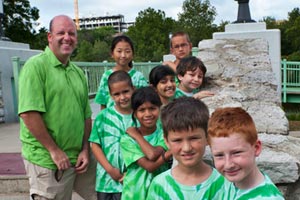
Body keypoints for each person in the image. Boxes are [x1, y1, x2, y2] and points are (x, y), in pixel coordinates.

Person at [18, 15, 95, 200]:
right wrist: (54, 150)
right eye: (61, 32)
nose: (67, 37)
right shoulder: (35, 67)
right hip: (48, 160)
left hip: (79, 158)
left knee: (102, 194)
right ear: (49, 37)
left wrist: (85, 148)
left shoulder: (77, 72)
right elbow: (29, 113)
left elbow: (85, 115)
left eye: (72, 33)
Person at [146, 97, 227, 200]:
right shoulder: (159, 186)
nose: (187, 148)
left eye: (194, 138)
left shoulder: (224, 183)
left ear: (207, 137)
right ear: (166, 141)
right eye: (177, 140)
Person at [207, 107, 284, 200]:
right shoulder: (229, 181)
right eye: (219, 155)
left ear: (256, 148)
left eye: (236, 153)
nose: (228, 165)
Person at [89, 71, 135, 200]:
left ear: (133, 89)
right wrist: (110, 170)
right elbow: (95, 145)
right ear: (110, 95)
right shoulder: (102, 117)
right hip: (106, 182)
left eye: (126, 91)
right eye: (117, 94)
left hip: (132, 181)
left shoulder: (140, 116)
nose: (122, 97)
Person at [120, 86, 172, 200]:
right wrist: (170, 152)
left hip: (160, 192)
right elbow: (149, 166)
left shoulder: (164, 134)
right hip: (134, 194)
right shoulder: (127, 139)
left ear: (159, 109)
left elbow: (152, 155)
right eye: (142, 110)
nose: (148, 114)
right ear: (135, 114)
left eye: (152, 108)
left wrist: (137, 136)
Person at [94, 34, 148, 110]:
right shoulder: (106, 76)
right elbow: (103, 104)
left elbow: (146, 101)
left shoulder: (138, 77)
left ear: (133, 54)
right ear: (112, 54)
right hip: (112, 120)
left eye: (127, 51)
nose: (123, 55)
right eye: (119, 51)